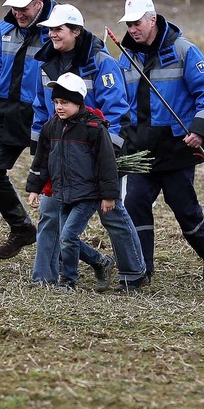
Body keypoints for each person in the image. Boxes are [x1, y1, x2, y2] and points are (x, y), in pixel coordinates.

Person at [116, 0, 204, 289]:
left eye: (137, 23)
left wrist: (200, 129)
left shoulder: (183, 51)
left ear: (152, 19)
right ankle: (140, 270)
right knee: (134, 203)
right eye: (128, 24)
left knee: (184, 209)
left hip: (178, 147)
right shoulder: (124, 56)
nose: (132, 29)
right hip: (140, 148)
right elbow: (119, 101)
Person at [31, 4, 135, 288]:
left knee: (110, 213)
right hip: (59, 152)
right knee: (49, 213)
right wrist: (39, 152)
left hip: (95, 154)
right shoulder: (45, 64)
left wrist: (108, 155)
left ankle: (132, 273)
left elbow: (116, 111)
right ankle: (44, 277)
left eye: (58, 29)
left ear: (76, 31)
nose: (52, 34)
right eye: (50, 29)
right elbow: (40, 108)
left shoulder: (101, 62)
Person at [25, 73, 145, 291]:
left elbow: (107, 164)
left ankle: (68, 281)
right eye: (56, 102)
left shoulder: (94, 128)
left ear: (78, 102)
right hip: (63, 194)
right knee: (65, 238)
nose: (59, 107)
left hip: (88, 194)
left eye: (65, 102)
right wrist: (35, 188)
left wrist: (109, 195)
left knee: (68, 237)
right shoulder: (50, 127)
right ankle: (100, 261)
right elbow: (42, 161)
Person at [0, 0, 58, 259]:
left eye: (23, 8)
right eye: (14, 8)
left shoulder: (59, 26)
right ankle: (22, 227)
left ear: (38, 4)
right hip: (10, 113)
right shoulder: (7, 27)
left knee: (52, 186)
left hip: (46, 116)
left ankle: (69, 252)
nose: (18, 14)